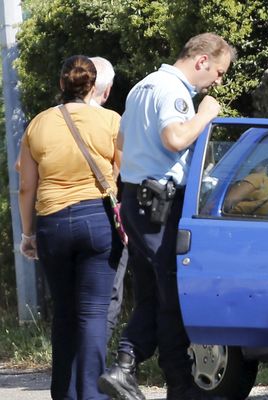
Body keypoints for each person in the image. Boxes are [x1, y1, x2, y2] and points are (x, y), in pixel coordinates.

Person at [98, 33, 236, 400]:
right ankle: (133, 367)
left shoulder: (142, 87)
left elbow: (123, 145)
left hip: (138, 201)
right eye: (219, 72)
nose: (218, 81)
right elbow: (175, 138)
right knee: (173, 292)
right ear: (202, 60)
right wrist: (206, 113)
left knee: (153, 295)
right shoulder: (173, 91)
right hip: (160, 204)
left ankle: (168, 380)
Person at [18, 55, 121, 400]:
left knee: (64, 311)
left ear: (61, 84)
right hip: (98, 221)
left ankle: (63, 393)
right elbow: (122, 175)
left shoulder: (37, 125)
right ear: (93, 87)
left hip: (53, 223)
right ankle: (92, 393)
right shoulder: (110, 121)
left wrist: (28, 234)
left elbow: (26, 187)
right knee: (93, 313)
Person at [89, 55, 128, 343]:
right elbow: (122, 167)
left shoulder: (48, 118)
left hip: (58, 215)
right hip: (104, 213)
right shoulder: (112, 120)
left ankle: (73, 369)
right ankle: (96, 364)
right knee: (109, 291)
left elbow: (24, 172)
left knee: (74, 298)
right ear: (106, 90)